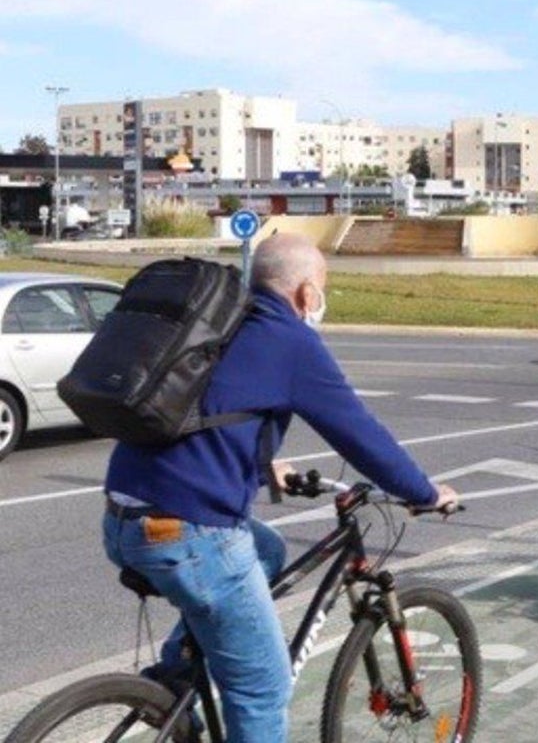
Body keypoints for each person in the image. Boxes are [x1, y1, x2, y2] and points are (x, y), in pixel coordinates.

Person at [101, 232, 458, 743]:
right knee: (262, 690)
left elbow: (203, 405)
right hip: (189, 535)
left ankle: (178, 679)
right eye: (322, 290)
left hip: (122, 518)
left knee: (266, 549)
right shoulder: (291, 341)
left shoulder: (219, 322)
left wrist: (262, 459)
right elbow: (360, 434)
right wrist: (423, 492)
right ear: (306, 293)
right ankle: (185, 688)